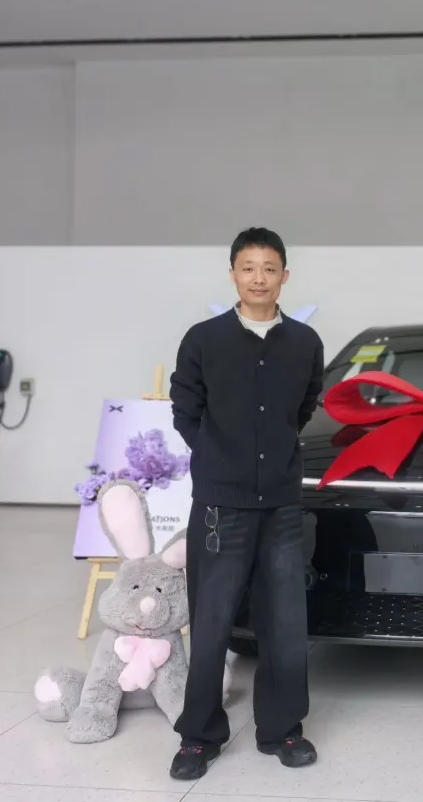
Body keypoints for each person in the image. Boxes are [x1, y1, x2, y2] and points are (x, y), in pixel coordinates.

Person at [167, 227, 324, 779]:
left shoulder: (304, 342)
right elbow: (185, 409)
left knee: (284, 621)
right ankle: (199, 736)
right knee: (211, 622)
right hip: (220, 505)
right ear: (233, 274)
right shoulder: (203, 339)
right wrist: (220, 458)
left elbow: (304, 406)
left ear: (285, 276)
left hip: (280, 503)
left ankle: (282, 729)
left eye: (269, 268)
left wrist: (272, 454)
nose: (259, 278)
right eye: (248, 267)